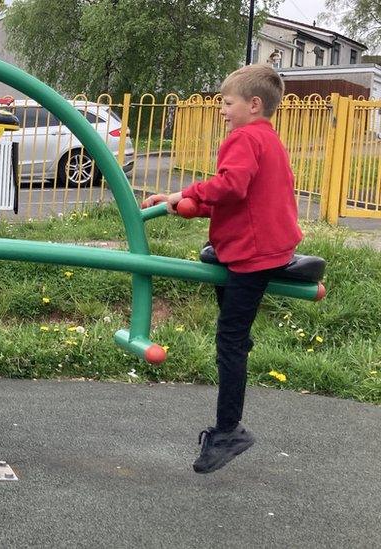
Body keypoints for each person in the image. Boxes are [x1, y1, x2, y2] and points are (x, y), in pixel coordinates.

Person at [144, 64, 302, 473]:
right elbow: (240, 196)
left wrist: (185, 192)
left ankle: (229, 430)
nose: (222, 110)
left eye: (227, 103)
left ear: (254, 104)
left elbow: (231, 185)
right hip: (269, 245)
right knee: (210, 254)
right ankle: (239, 327)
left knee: (229, 342)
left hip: (253, 255)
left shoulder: (243, 137)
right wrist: (185, 203)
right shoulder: (267, 139)